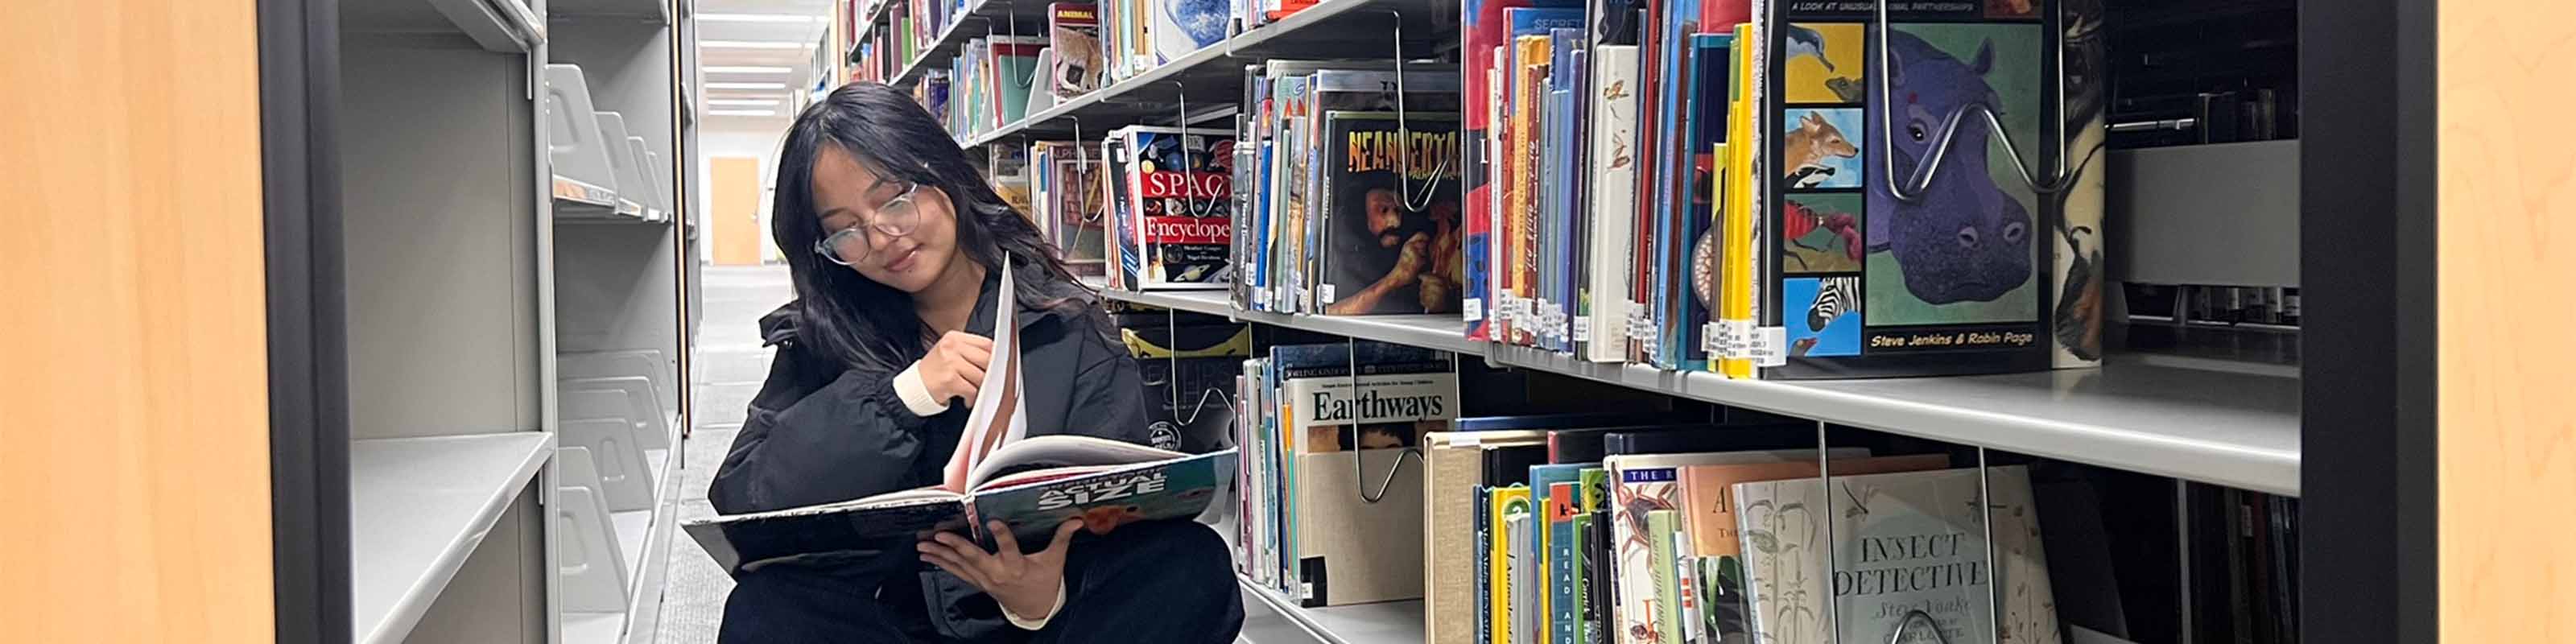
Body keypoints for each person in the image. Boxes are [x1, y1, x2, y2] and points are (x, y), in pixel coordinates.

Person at [708, 83, 1245, 643]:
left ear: (940, 170)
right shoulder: (824, 335)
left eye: (893, 198)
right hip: (891, 614)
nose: (881, 236)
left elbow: (1121, 512)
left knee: (1191, 565)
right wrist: (902, 397)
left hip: (1043, 619)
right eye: (844, 230)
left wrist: (1041, 599)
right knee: (766, 609)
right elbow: (745, 493)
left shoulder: (1062, 318)